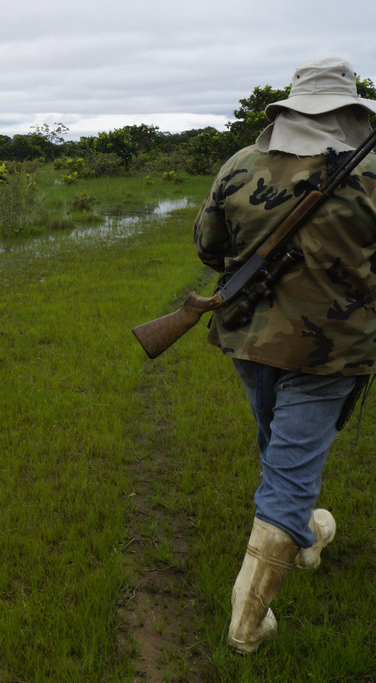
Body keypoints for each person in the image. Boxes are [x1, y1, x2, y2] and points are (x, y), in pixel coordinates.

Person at [192, 57, 376, 654]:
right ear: (350, 109)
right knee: (290, 468)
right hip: (333, 352)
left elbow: (209, 247)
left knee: (280, 447)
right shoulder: (373, 171)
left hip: (248, 339)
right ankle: (247, 624)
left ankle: (304, 536)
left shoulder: (239, 164)